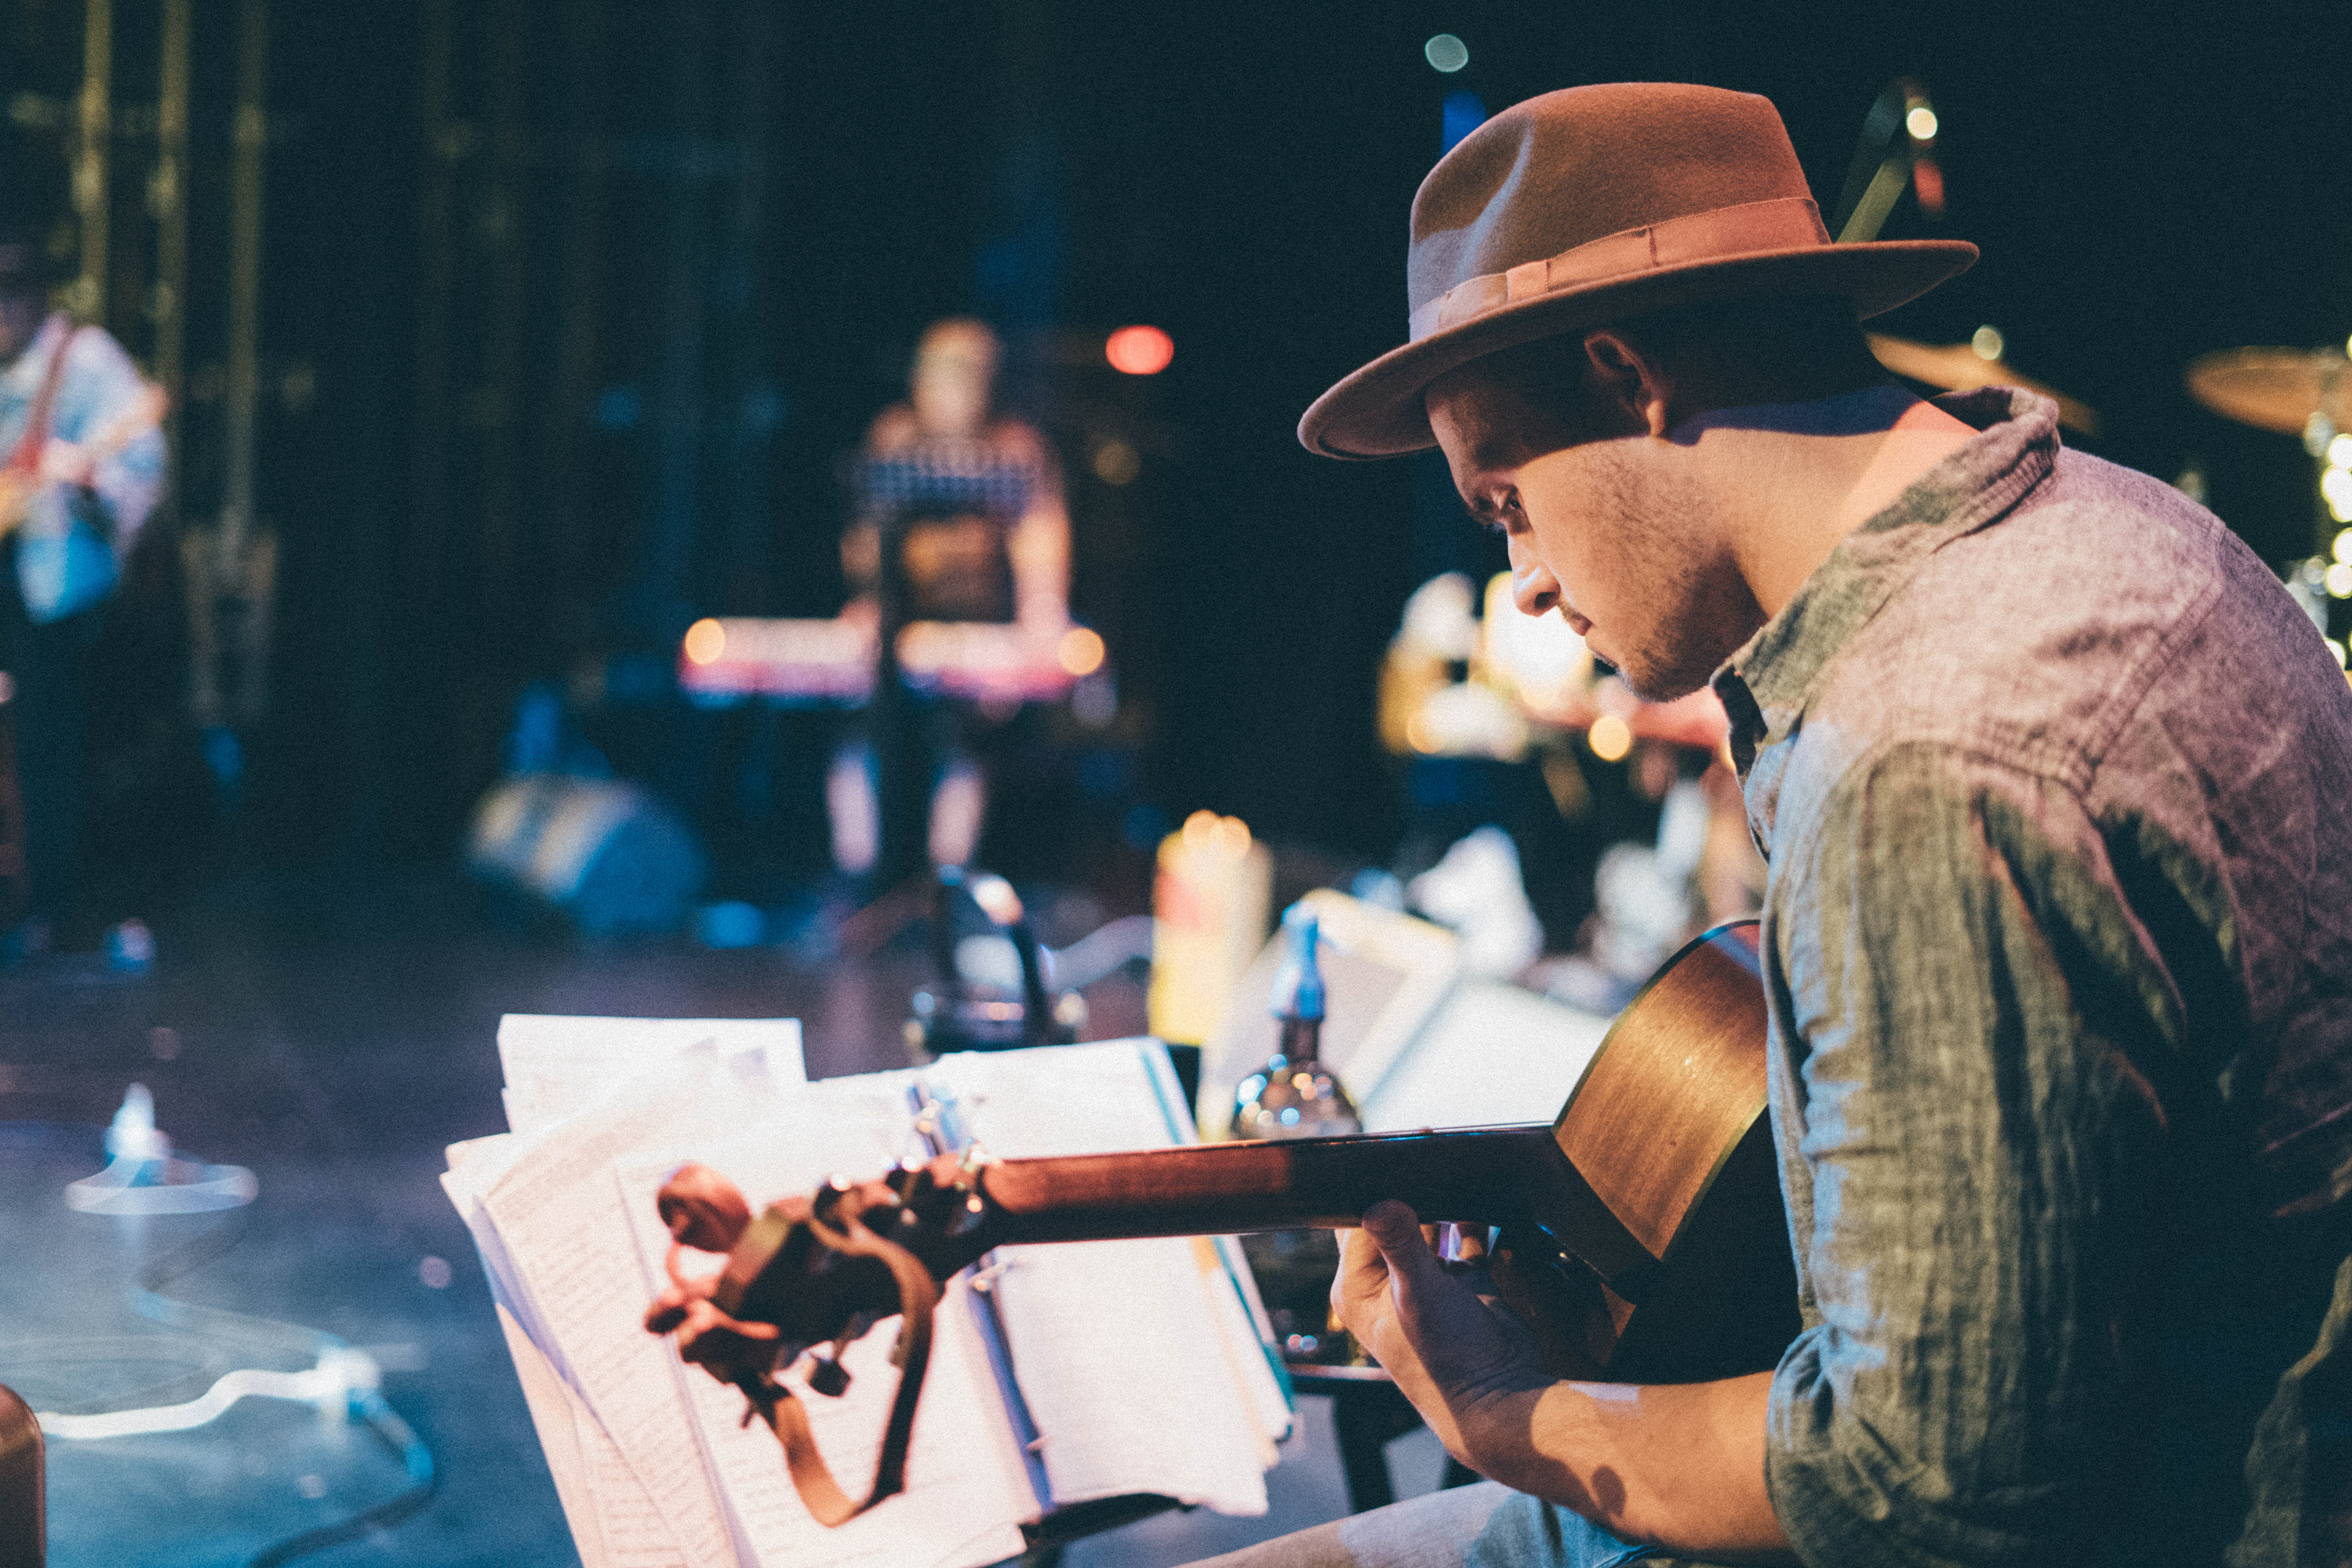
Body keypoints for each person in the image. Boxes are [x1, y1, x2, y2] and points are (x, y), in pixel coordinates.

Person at [1195, 83, 2352, 1566]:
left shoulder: (1928, 745)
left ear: (1626, 375)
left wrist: (1503, 1408)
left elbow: (1928, 1485)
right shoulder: (2122, 525)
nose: (1525, 578)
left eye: (1505, 502)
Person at [828, 317, 1069, 875]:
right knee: (859, 732)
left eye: (971, 374)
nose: (956, 389)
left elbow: (1041, 539)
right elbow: (864, 536)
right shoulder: (895, 436)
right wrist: (867, 602)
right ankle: (857, 876)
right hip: (897, 623)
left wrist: (1041, 617)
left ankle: (948, 881)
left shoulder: (1015, 448)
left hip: (978, 623)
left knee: (965, 745)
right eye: (943, 372)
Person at [0, 207, 166, 956]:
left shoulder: (85, 360)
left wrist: (86, 480)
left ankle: (48, 903)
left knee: (49, 743)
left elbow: (141, 463)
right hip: (12, 576)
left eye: (13, 290)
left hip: (57, 590)